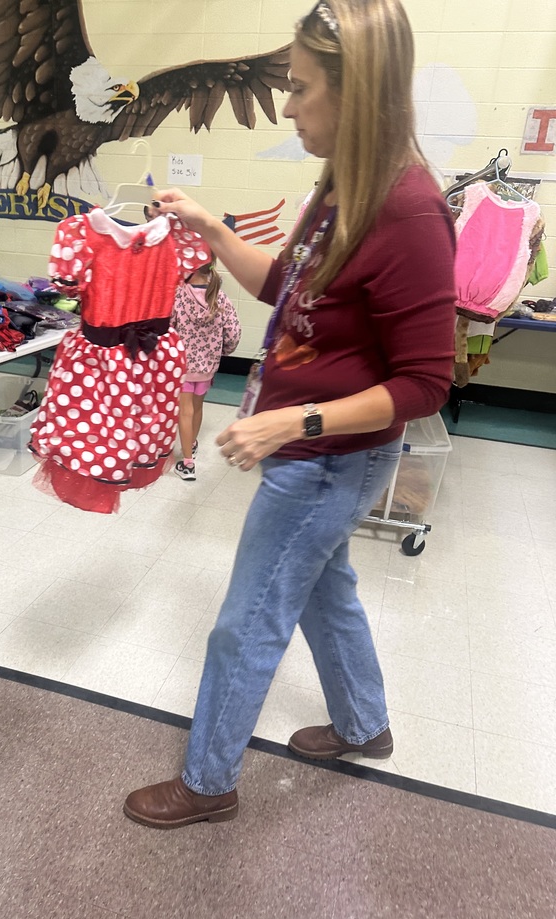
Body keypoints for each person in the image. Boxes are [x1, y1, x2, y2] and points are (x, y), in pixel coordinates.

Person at [123, 0, 457, 828]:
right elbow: (289, 290)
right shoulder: (342, 184)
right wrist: (210, 229)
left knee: (247, 620)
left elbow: (426, 383)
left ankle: (208, 782)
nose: (286, 105)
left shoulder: (409, 212)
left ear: (359, 94)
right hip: (315, 453)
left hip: (328, 460)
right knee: (324, 591)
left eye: (301, 89)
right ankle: (364, 725)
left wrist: (290, 424)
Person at [172, 260, 241, 480]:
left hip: (182, 365)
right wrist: (224, 351)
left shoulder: (178, 296)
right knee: (197, 407)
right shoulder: (219, 296)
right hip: (207, 365)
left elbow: (167, 327)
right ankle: (191, 443)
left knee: (185, 411)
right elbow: (233, 332)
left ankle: (187, 462)